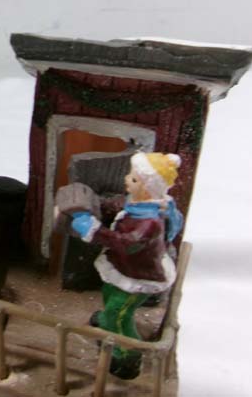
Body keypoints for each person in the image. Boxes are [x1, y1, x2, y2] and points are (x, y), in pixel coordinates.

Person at [58, 152, 184, 380]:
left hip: (139, 275)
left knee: (119, 312)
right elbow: (119, 205)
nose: (127, 179)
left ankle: (127, 356)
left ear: (147, 189)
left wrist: (92, 228)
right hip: (124, 267)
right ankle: (106, 321)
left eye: (133, 179)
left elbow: (126, 243)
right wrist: (97, 205)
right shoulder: (139, 203)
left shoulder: (150, 223)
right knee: (109, 293)